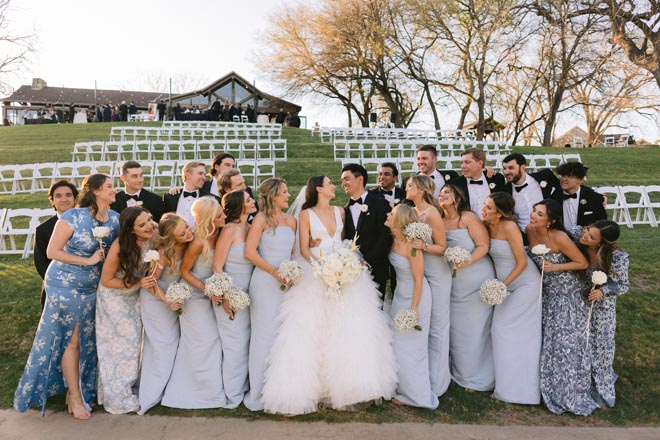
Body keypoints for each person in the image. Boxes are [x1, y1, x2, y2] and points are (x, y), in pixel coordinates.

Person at [263, 176, 397, 415]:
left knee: (348, 329)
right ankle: (313, 390)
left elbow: (345, 241)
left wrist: (343, 264)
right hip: (315, 272)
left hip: (344, 271)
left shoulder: (341, 211)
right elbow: (303, 249)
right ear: (318, 189)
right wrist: (323, 268)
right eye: (330, 183)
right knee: (314, 330)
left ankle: (352, 387)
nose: (335, 186)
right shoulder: (305, 215)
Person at [14, 174, 119, 419]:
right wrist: (88, 260)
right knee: (72, 339)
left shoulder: (114, 219)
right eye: (110, 187)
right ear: (94, 191)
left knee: (87, 340)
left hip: (93, 287)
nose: (115, 191)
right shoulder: (74, 216)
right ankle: (74, 396)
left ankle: (81, 389)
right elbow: (52, 251)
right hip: (64, 284)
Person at [526, 199, 597, 416]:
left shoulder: (559, 237)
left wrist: (556, 266)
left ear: (551, 221)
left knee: (565, 345)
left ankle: (569, 392)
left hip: (568, 296)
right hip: (547, 294)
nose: (533, 216)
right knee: (549, 342)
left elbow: (582, 263)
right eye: (534, 211)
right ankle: (546, 387)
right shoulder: (529, 230)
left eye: (539, 214)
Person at [161, 196, 226, 409]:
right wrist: (207, 288)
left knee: (213, 342)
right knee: (202, 343)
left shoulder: (219, 233)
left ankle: (211, 390)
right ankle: (193, 392)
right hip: (195, 297)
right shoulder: (198, 241)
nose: (223, 216)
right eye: (218, 215)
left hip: (210, 296)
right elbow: (184, 272)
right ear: (208, 218)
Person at [482, 192, 542, 404]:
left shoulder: (510, 227)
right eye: (484, 205)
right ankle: (502, 382)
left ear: (500, 213)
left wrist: (502, 286)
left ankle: (521, 389)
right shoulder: (486, 225)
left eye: (488, 207)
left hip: (525, 284)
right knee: (498, 330)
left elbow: (522, 263)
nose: (483, 209)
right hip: (504, 286)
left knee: (505, 329)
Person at [243, 178, 297, 411]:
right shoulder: (261, 220)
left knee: (283, 337)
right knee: (264, 335)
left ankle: (281, 390)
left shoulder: (292, 221)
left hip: (287, 283)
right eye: (284, 192)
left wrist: (293, 273)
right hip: (265, 282)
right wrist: (275, 272)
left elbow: (294, 253)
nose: (288, 195)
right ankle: (258, 392)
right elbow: (249, 252)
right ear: (273, 195)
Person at [96, 207, 157, 414]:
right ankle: (117, 396)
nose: (149, 225)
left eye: (149, 219)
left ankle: (135, 386)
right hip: (114, 297)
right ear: (131, 230)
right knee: (122, 345)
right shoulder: (119, 246)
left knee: (136, 343)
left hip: (135, 294)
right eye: (142, 224)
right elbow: (106, 280)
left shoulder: (153, 236)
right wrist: (137, 283)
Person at [439, 184, 495, 392]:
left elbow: (483, 245)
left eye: (447, 193)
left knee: (475, 330)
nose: (442, 196)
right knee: (458, 330)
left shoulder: (468, 218)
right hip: (453, 283)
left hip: (475, 277)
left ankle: (477, 377)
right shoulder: (439, 220)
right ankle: (461, 373)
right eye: (440, 193)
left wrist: (467, 261)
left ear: (457, 198)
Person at [138, 214, 193, 415]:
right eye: (182, 232)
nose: (188, 232)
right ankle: (151, 394)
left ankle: (169, 388)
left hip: (172, 300)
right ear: (171, 237)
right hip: (155, 300)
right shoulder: (162, 253)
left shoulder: (189, 244)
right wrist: (167, 300)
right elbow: (150, 282)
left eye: (186, 227)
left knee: (174, 343)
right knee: (163, 346)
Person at [386, 204, 438, 409]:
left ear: (400, 220)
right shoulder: (392, 239)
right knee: (398, 345)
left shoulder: (412, 245)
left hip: (416, 297)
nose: (388, 215)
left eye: (392, 214)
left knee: (413, 348)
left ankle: (418, 396)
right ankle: (401, 388)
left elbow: (418, 279)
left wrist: (414, 309)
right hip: (400, 295)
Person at [404, 174, 452, 397]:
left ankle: (439, 383)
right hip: (420, 270)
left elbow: (442, 247)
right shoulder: (412, 212)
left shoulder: (432, 213)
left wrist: (423, 246)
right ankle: (422, 376)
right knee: (426, 322)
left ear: (422, 190)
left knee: (438, 326)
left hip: (437, 271)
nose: (406, 189)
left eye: (410, 186)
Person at [577, 220, 629, 408]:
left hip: (603, 309)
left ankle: (603, 389)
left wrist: (603, 291)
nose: (585, 236)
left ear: (600, 244)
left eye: (591, 237)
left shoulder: (617, 257)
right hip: (580, 303)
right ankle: (583, 385)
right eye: (587, 230)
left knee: (602, 350)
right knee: (583, 345)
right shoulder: (579, 240)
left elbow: (623, 285)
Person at [211, 191, 257, 408]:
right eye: (249, 200)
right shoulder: (229, 230)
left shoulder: (251, 227)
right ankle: (233, 393)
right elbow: (217, 267)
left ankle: (245, 386)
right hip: (232, 292)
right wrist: (227, 296)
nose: (253, 201)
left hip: (252, 293)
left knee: (247, 343)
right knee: (234, 346)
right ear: (240, 206)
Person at [341, 163, 392, 296]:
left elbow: (386, 235)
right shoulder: (344, 210)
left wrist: (366, 260)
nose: (343, 183)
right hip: (352, 272)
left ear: (360, 179)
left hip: (375, 268)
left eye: (347, 179)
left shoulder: (380, 203)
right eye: (342, 180)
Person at [34, 180, 78, 309]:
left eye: (68, 195)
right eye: (58, 196)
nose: (64, 199)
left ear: (75, 198)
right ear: (52, 200)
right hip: (56, 286)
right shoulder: (43, 230)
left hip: (86, 285)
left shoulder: (88, 223)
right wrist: (61, 284)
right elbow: (42, 263)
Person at [501, 153, 561, 233]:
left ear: (522, 167)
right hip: (524, 237)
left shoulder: (544, 176)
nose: (506, 172)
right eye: (504, 168)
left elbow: (562, 188)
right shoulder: (505, 191)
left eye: (511, 168)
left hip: (549, 232)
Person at [449, 147, 506, 215]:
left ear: (480, 163)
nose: (462, 166)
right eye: (462, 162)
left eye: (467, 162)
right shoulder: (455, 184)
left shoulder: (497, 179)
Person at [555, 162, 607, 231]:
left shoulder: (593, 198)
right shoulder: (553, 195)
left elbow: (602, 223)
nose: (564, 179)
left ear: (580, 180)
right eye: (562, 175)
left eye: (569, 176)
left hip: (584, 239)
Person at [163, 161, 211, 227]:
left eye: (204, 175)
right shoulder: (170, 197)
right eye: (200, 173)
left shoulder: (209, 199)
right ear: (187, 175)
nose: (204, 178)